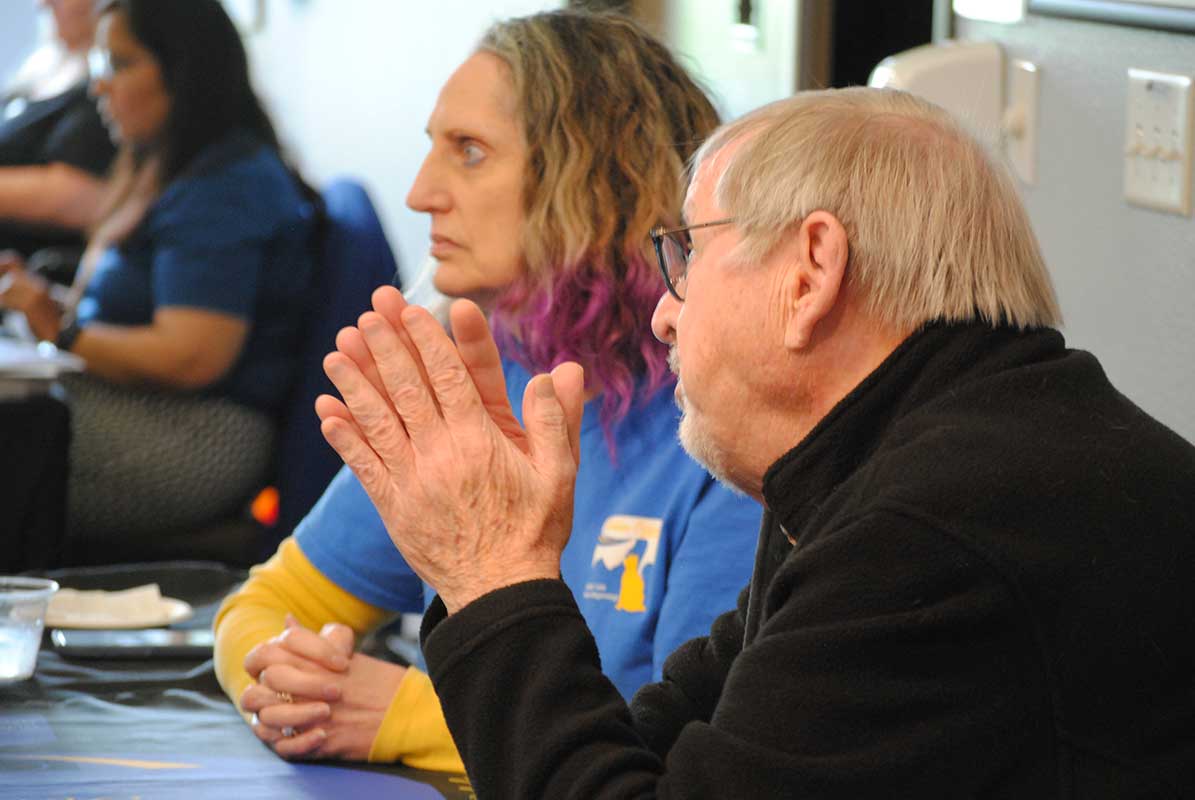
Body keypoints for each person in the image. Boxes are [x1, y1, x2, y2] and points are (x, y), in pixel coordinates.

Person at [318, 86, 1195, 797]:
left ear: (810, 272)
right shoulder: (900, 461)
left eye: (686, 256)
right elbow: (659, 754)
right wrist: (490, 577)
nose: (664, 313)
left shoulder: (933, 531)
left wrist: (492, 573)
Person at [212, 10, 761, 772]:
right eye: (433, 147)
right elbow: (266, 607)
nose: (419, 193)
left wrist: (412, 714)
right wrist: (289, 682)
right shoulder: (479, 369)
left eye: (469, 152)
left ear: (597, 178)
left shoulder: (728, 418)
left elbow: (691, 746)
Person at [0, 0, 316, 545]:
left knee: (17, 435)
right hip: (139, 407)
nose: (99, 85)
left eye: (119, 64)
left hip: (198, 437)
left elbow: (190, 356)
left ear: (184, 71)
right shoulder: (167, 164)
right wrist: (45, 301)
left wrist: (62, 329)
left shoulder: (226, 187)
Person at [1, 0, 116, 256]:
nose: (44, 4)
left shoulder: (103, 89)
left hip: (36, 261)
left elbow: (84, 198)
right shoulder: (38, 68)